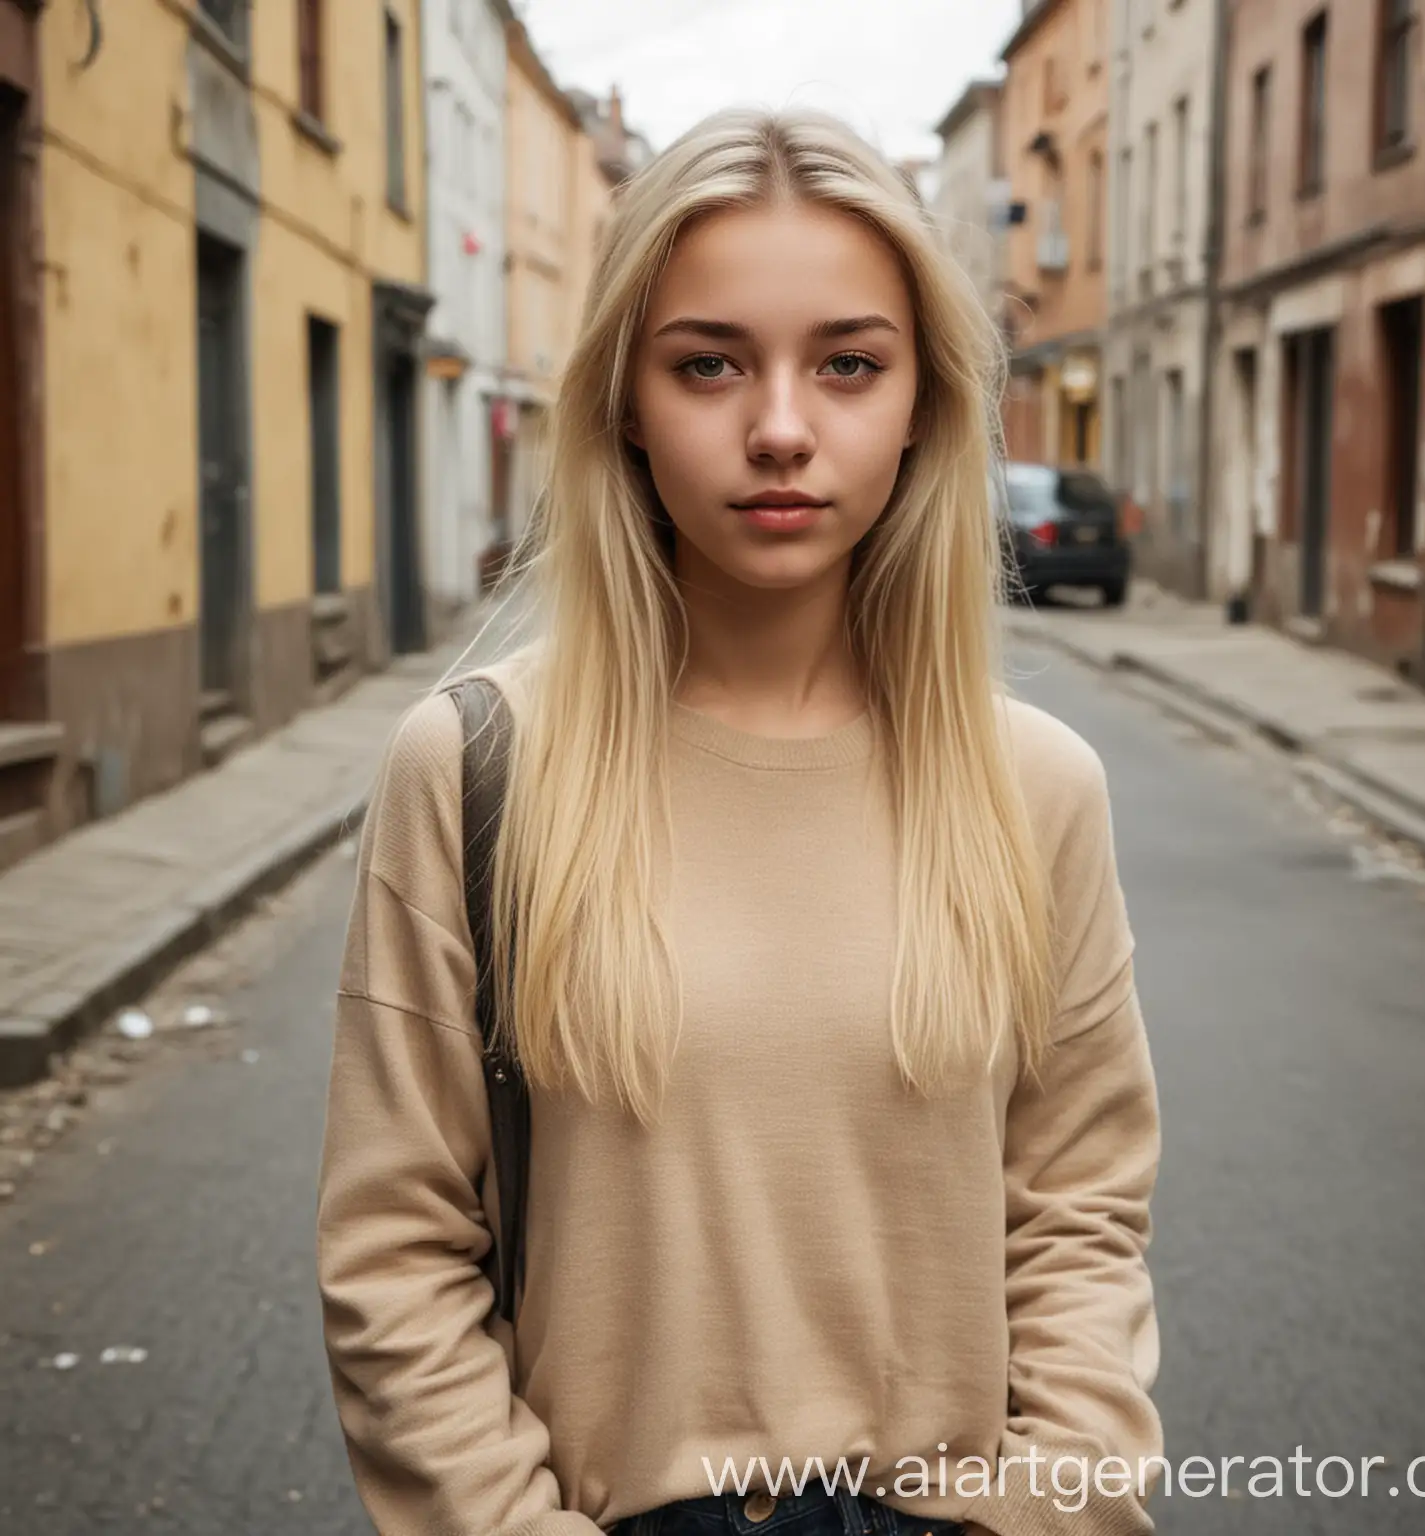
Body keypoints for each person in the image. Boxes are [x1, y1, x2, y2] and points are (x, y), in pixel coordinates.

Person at [317, 106, 1162, 1536]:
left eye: (848, 364)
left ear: (925, 404)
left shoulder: (1037, 790)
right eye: (709, 364)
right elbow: (396, 1253)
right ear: (628, 405)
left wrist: (1049, 1507)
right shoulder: (474, 770)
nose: (780, 428)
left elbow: (1081, 1218)